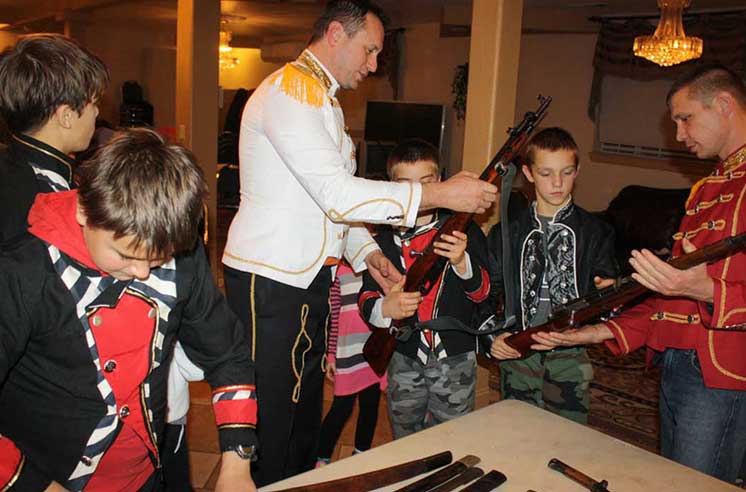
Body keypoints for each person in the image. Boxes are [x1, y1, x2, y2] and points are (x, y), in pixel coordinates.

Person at [220, 0, 496, 485]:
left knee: (303, 408)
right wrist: (439, 193)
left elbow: (328, 208)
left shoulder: (320, 98)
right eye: (368, 50)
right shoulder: (291, 91)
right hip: (270, 280)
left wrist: (367, 255)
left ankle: (296, 480)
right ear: (335, 34)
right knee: (272, 412)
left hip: (302, 279)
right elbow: (337, 194)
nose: (373, 64)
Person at [0, 129, 257, 492]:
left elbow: (227, 353)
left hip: (143, 476)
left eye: (157, 259)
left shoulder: (182, 255)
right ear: (83, 211)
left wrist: (236, 462)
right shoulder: (23, 271)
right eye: (125, 256)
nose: (142, 273)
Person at [532, 65, 746, 483]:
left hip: (722, 372)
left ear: (724, 104)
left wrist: (707, 290)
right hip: (676, 363)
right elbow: (674, 298)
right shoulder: (706, 189)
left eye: (685, 119)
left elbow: (698, 289)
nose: (679, 134)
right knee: (672, 478)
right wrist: (598, 331)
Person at [357, 139, 490, 438]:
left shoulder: (464, 232)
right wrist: (384, 309)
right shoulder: (381, 243)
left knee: (451, 438)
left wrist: (461, 262)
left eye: (425, 183)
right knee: (404, 436)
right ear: (393, 189)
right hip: (403, 356)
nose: (417, 194)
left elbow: (483, 294)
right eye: (406, 186)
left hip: (455, 358)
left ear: (440, 183)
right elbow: (366, 294)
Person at [485, 127, 618, 424]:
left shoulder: (596, 231)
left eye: (566, 172)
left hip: (571, 353)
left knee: (567, 436)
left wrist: (607, 296)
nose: (557, 183)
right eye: (546, 173)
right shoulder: (506, 233)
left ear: (577, 171)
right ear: (529, 173)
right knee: (515, 431)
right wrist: (494, 336)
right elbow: (487, 292)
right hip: (519, 350)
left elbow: (607, 292)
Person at [0, 33, 108, 247]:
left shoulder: (10, 164)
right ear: (66, 115)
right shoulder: (46, 198)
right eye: (94, 103)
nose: (97, 113)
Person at [315, 259, 386, 467]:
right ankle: (321, 456)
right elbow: (334, 315)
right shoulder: (338, 270)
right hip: (347, 350)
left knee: (370, 405)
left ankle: (361, 452)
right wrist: (331, 355)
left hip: (373, 349)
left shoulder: (378, 266)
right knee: (341, 407)